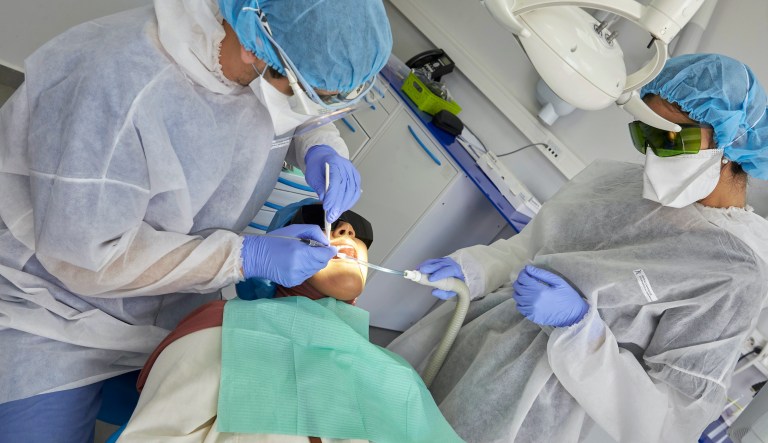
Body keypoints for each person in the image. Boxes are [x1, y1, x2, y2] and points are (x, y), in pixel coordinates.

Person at [0, 0, 392, 440]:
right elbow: (86, 258)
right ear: (254, 51)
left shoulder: (262, 49)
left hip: (172, 304)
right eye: (308, 92)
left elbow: (299, 106)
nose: (344, 235)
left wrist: (322, 144)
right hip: (51, 312)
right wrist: (244, 256)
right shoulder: (117, 90)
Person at [389, 53, 768, 443]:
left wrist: (578, 331)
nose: (653, 154)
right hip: (472, 349)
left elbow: (667, 421)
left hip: (538, 417)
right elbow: (531, 250)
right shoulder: (614, 181)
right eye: (645, 134)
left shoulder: (734, 272)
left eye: (671, 138)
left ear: (730, 146)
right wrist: (476, 268)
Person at [116, 202, 463, 443]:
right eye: (322, 222)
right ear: (278, 251)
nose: (347, 229)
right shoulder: (225, 328)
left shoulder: (396, 371)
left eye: (358, 232)